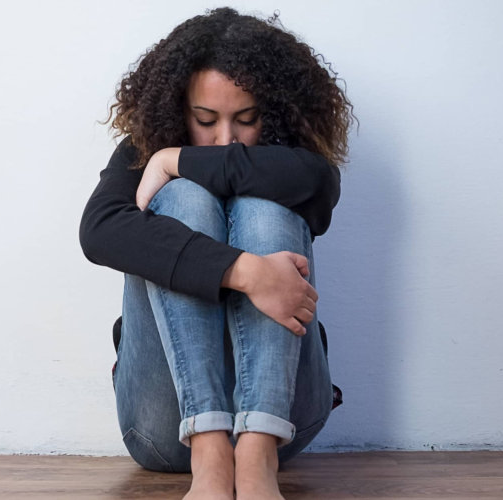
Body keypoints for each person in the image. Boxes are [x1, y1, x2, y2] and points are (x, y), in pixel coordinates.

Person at [77, 7, 355, 500]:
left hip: (286, 423)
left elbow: (317, 181)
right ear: (177, 109)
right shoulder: (141, 151)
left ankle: (255, 455)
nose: (224, 139)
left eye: (246, 120)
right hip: (165, 431)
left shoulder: (295, 160)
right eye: (204, 121)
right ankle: (209, 453)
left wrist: (177, 159)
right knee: (181, 199)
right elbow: (99, 232)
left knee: (265, 202)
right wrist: (245, 271)